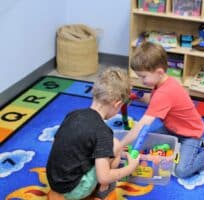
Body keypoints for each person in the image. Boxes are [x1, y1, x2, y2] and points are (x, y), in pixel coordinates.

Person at [120, 42, 204, 179]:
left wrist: (121, 144)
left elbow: (143, 125)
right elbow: (154, 102)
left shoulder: (164, 93)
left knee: (181, 171)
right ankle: (200, 144)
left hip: (190, 134)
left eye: (143, 76)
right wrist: (136, 97)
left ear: (159, 72)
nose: (140, 80)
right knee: (146, 141)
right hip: (171, 128)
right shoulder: (162, 82)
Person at [46, 67, 140, 200]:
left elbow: (56, 142)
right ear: (117, 104)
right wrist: (130, 168)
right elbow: (104, 176)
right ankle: (103, 189)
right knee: (116, 147)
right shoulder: (103, 132)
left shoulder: (73, 114)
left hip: (54, 180)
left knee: (106, 146)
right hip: (73, 190)